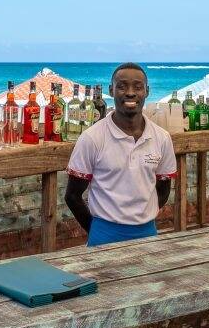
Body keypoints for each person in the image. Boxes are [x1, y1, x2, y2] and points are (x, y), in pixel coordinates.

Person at [64, 63, 176, 246]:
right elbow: (72, 196)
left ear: (146, 91)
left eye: (138, 87)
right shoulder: (92, 138)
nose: (130, 93)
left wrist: (141, 215)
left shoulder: (162, 138)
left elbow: (163, 191)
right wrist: (97, 230)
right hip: (104, 234)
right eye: (122, 86)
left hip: (148, 233)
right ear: (111, 90)